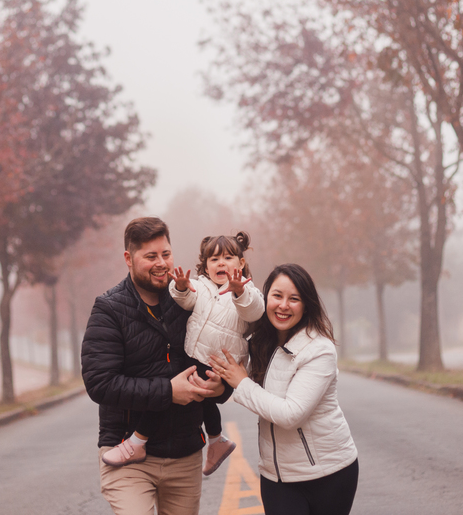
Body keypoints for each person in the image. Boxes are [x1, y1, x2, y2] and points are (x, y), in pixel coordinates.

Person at [81, 216, 229, 515]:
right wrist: (168, 391)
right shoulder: (109, 309)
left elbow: (219, 351)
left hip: (185, 454)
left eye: (166, 254)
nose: (161, 263)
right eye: (150, 256)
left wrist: (221, 387)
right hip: (126, 453)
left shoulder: (191, 299)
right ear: (129, 258)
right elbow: (100, 383)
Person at [102, 231, 265, 476]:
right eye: (214, 259)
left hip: (220, 361)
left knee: (169, 395)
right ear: (206, 267)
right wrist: (180, 288)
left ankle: (137, 441)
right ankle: (216, 440)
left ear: (240, 263)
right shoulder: (201, 286)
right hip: (195, 353)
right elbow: (186, 301)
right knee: (196, 397)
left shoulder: (247, 290)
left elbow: (254, 312)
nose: (221, 263)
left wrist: (239, 293)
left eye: (228, 258)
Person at [208, 263, 359, 515]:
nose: (283, 305)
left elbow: (290, 414)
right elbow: (242, 383)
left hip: (329, 474)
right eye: (277, 296)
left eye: (294, 299)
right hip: (276, 477)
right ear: (266, 298)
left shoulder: (319, 350)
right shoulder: (260, 342)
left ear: (306, 305)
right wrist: (218, 385)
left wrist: (241, 383)